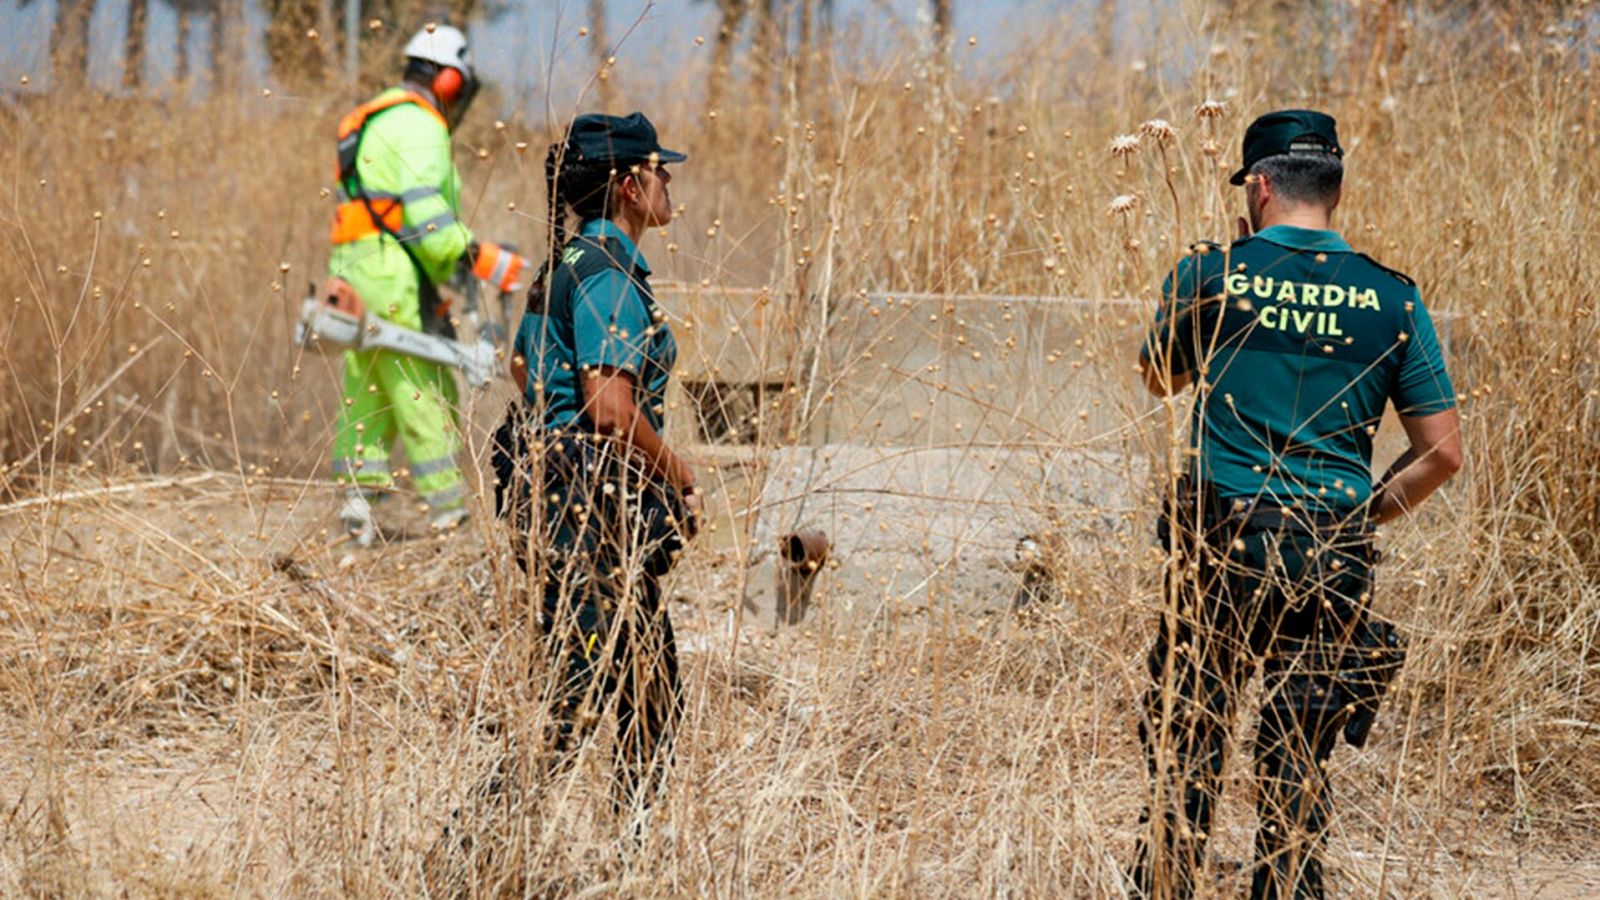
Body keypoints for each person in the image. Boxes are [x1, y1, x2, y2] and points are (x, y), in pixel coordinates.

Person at [1131, 109, 1462, 899]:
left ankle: (1168, 880)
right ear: (1337, 190)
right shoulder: (1394, 299)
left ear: (1260, 185)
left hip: (1222, 539)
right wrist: (1364, 516)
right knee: (1299, 754)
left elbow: (1157, 379)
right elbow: (1443, 454)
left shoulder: (1212, 273)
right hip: (1332, 549)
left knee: (1189, 735)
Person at [493, 112, 699, 822]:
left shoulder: (568, 264)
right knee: (572, 708)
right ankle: (477, 850)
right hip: (589, 518)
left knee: (651, 696)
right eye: (657, 168)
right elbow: (610, 407)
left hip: (569, 505)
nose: (668, 179)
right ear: (627, 185)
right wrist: (679, 472)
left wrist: (555, 433)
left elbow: (522, 365)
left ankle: (632, 859)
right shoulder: (608, 273)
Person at [326, 23, 529, 545]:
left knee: (367, 398)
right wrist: (477, 257)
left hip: (356, 271)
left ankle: (355, 524)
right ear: (445, 80)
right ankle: (451, 523)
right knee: (426, 392)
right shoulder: (419, 126)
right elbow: (424, 217)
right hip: (395, 278)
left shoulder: (377, 118)